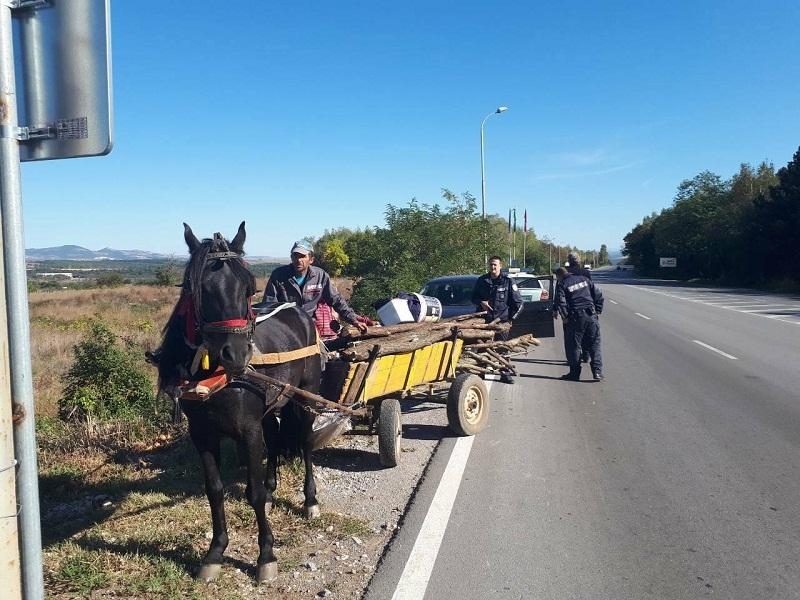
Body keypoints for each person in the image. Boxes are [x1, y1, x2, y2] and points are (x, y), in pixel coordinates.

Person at [263, 240, 368, 335]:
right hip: (284, 328)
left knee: (321, 355)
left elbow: (336, 300)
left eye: (302, 256)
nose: (298, 259)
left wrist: (354, 320)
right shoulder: (278, 275)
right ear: (291, 257)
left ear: (311, 259)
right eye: (295, 256)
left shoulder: (320, 276)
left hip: (308, 327)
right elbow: (269, 305)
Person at [471, 255, 523, 384]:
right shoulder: (482, 280)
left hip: (502, 321)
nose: (493, 267)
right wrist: (481, 302)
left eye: (495, 264)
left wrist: (510, 320)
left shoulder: (508, 281)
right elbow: (473, 297)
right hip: (484, 321)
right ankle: (481, 372)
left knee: (502, 348)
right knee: (482, 347)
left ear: (500, 266)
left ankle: (504, 373)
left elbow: (519, 303)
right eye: (491, 264)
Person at [555, 265, 604, 381]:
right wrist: (597, 311)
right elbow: (599, 296)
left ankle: (575, 373)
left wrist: (565, 317)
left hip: (576, 319)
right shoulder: (584, 279)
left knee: (574, 346)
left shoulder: (562, 284)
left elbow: (561, 302)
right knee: (594, 345)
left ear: (559, 276)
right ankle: (597, 372)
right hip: (591, 316)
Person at [566, 252, 593, 364]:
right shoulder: (585, 273)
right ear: (579, 260)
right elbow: (591, 290)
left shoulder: (566, 273)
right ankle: (586, 355)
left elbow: (561, 292)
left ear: (569, 261)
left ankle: (573, 359)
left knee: (573, 338)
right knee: (586, 334)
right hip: (587, 308)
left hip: (570, 310)